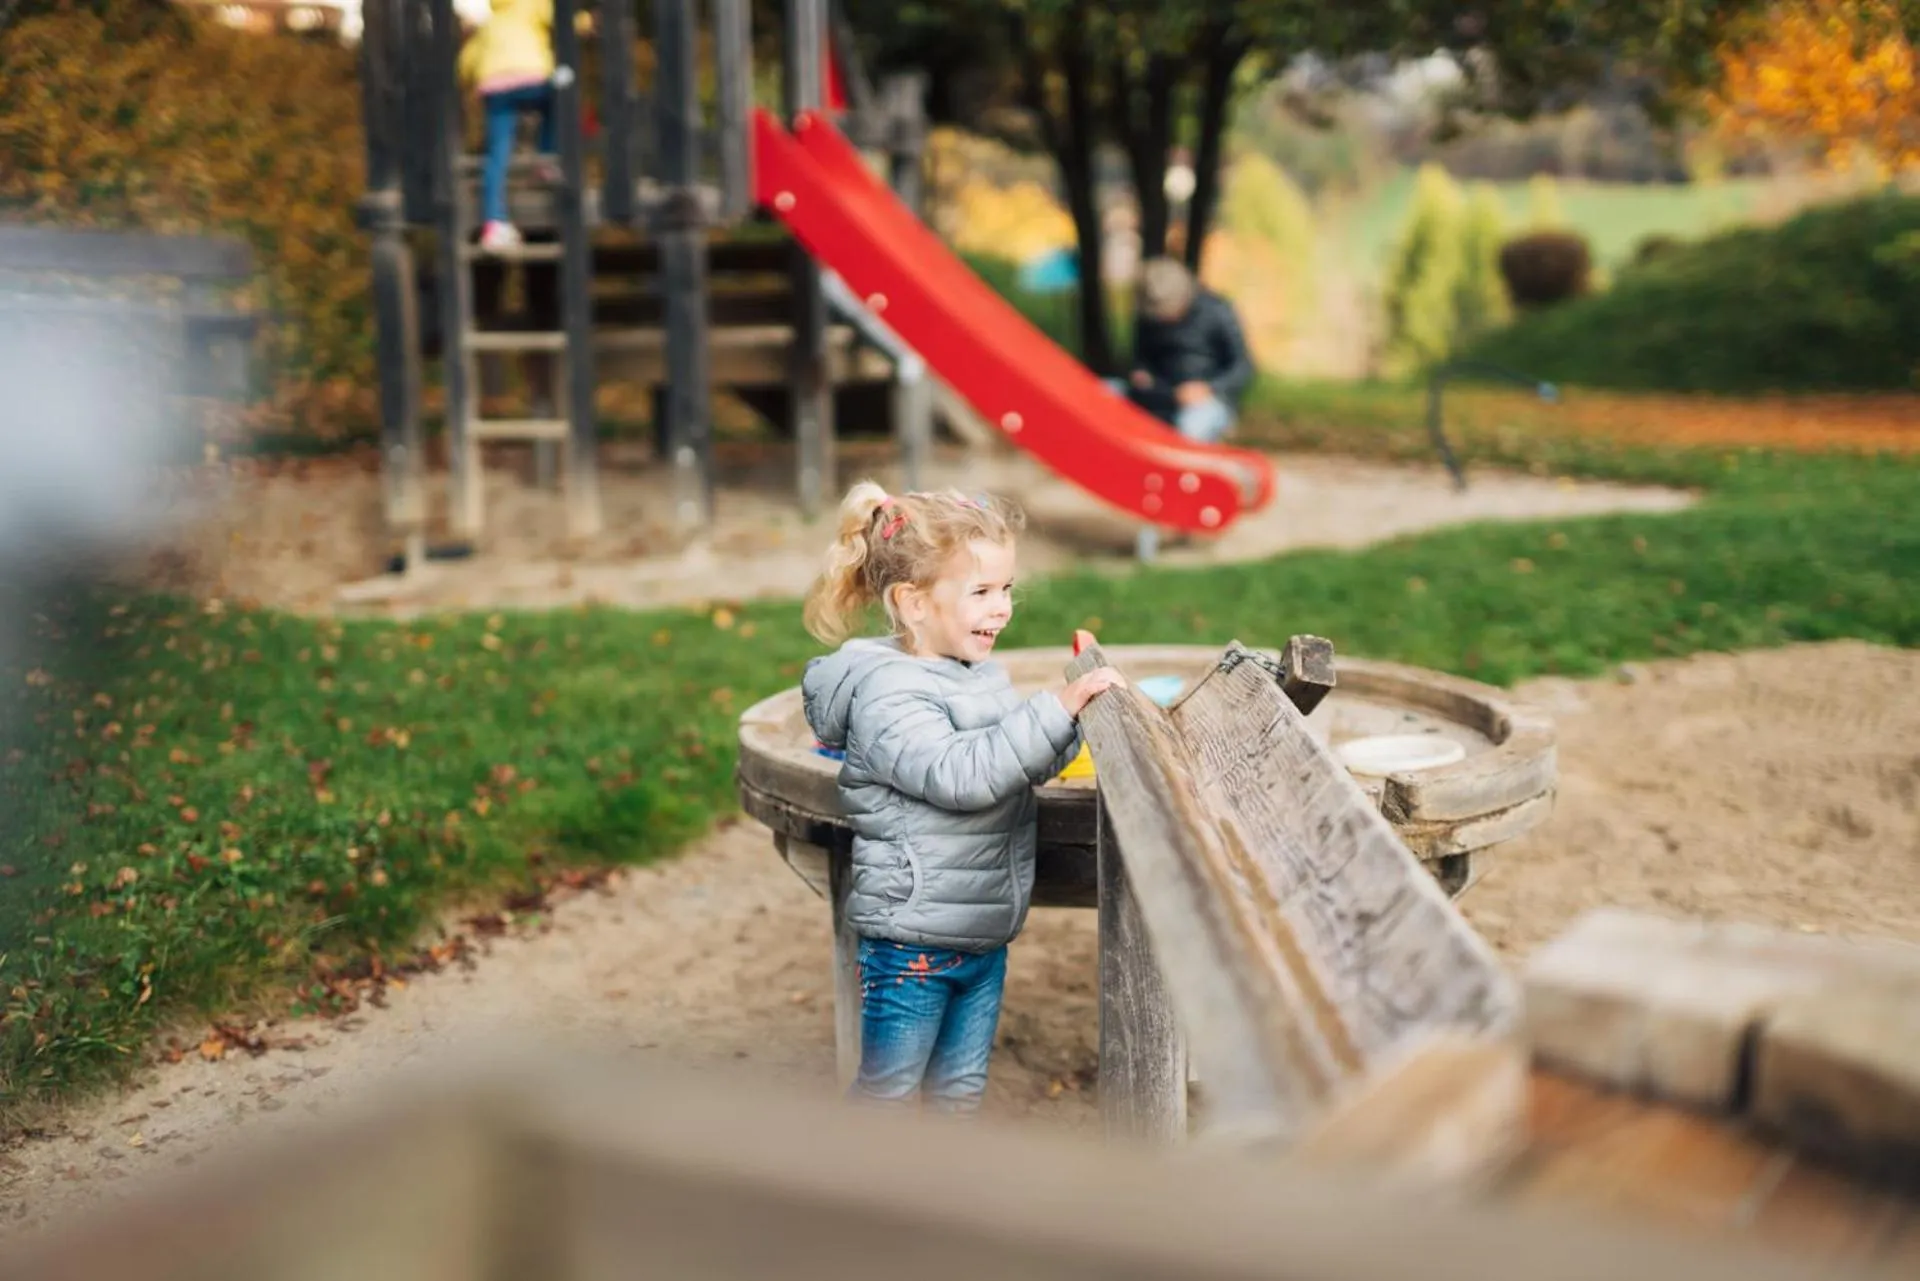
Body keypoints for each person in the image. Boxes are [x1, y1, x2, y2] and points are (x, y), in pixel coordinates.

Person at [799, 482, 1125, 1114]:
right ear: (912, 603)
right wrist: (1053, 712)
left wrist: (1076, 717)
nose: (1001, 608)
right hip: (912, 939)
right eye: (981, 592)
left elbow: (1013, 762)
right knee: (888, 1091)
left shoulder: (978, 674)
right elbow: (964, 774)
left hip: (979, 930)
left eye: (1006, 589)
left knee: (960, 1091)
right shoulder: (889, 695)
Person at [1111, 256, 1254, 445]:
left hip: (1204, 401)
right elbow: (1140, 358)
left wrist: (1209, 388)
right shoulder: (1148, 317)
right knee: (1103, 391)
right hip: (1158, 395)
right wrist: (1140, 374)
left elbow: (1243, 367)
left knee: (1191, 427)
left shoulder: (1217, 311)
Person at [457, 0, 561, 252]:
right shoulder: (534, 4)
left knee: (497, 152)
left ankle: (494, 224)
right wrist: (589, 22)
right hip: (532, 77)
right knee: (558, 103)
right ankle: (546, 161)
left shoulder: (490, 22)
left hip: (495, 86)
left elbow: (466, 62)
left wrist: (466, 81)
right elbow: (562, 19)